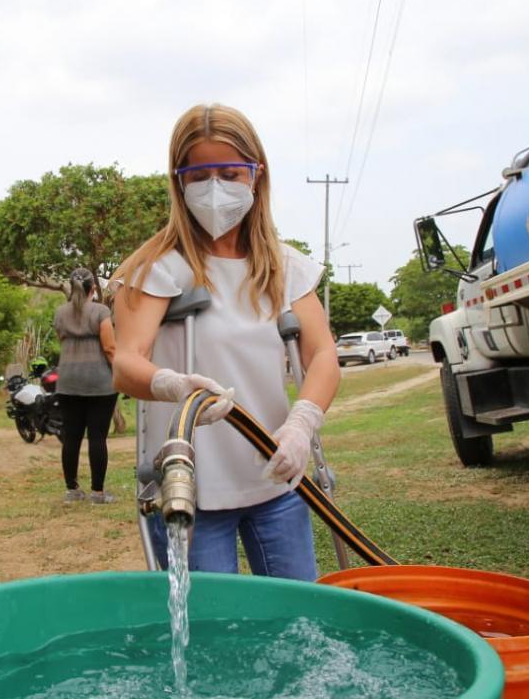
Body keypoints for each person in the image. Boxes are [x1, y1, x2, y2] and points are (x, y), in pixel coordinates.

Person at [112, 103, 340, 581]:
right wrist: (173, 385)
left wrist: (302, 423)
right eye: (200, 175)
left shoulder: (285, 267)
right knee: (210, 636)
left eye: (230, 173)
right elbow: (127, 363)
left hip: (277, 483)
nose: (216, 189)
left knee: (295, 623)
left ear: (256, 176)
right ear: (179, 182)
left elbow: (321, 356)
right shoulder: (154, 268)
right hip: (193, 491)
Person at [53, 267, 119, 504]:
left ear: (72, 287)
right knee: (97, 437)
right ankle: (98, 493)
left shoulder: (61, 313)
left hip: (68, 381)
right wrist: (120, 373)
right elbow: (110, 348)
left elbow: (62, 339)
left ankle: (72, 490)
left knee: (71, 437)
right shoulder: (100, 311)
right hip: (99, 382)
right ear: (93, 288)